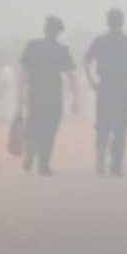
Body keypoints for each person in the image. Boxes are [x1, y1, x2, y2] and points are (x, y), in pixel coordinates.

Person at [84, 9, 127, 177]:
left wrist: (92, 82)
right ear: (122, 22)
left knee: (102, 126)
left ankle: (101, 156)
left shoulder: (100, 41)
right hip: (124, 88)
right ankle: (116, 166)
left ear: (108, 21)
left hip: (105, 87)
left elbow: (86, 61)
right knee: (121, 129)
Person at [17, 16, 78, 175]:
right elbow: (71, 75)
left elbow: (23, 71)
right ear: (58, 32)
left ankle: (30, 153)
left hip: (35, 93)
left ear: (45, 29)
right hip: (53, 95)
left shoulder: (32, 46)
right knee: (49, 129)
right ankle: (43, 164)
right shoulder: (62, 49)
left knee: (33, 125)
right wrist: (75, 99)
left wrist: (21, 94)